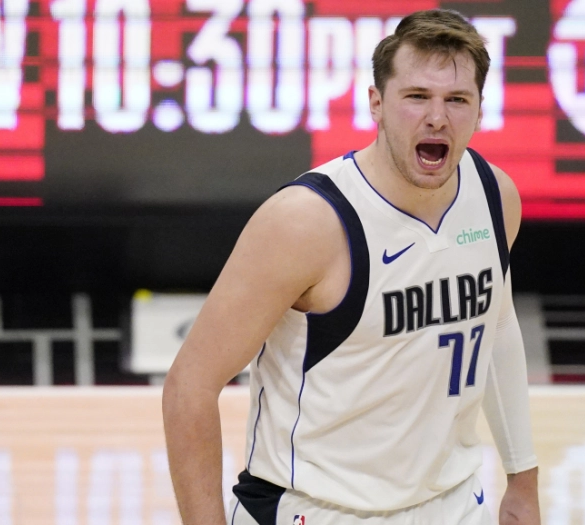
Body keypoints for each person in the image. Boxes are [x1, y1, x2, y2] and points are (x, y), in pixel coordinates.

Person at [162, 9, 540, 525]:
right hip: (317, 508)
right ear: (376, 103)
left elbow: (495, 330)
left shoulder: (496, 195)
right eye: (417, 96)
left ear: (479, 111)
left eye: (456, 99)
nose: (437, 117)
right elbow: (190, 385)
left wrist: (522, 480)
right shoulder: (305, 221)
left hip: (453, 504)